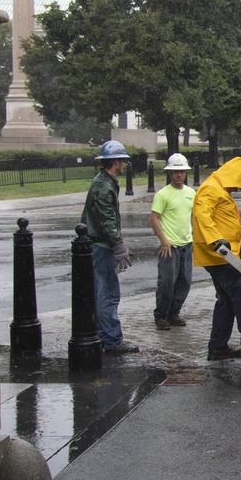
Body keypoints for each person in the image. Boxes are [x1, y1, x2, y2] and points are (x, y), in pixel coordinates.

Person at [192, 156, 241, 361]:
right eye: (238, 184)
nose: (238, 189)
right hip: (221, 255)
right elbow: (202, 215)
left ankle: (218, 347)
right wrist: (216, 241)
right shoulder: (211, 188)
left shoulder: (218, 188)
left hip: (223, 255)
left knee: (226, 300)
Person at [81, 140, 138, 354]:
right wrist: (118, 245)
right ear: (115, 161)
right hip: (101, 246)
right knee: (108, 293)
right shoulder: (104, 186)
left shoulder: (104, 181)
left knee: (102, 292)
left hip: (99, 244)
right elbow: (107, 220)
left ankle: (102, 334)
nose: (124, 164)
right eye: (122, 160)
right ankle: (111, 340)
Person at [150, 153, 196, 330]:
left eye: (182, 171)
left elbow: (192, 217)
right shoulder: (162, 195)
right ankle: (161, 315)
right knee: (167, 282)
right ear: (170, 173)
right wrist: (163, 240)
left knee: (184, 281)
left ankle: (173, 313)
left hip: (187, 243)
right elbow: (154, 218)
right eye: (175, 171)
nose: (179, 175)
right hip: (169, 245)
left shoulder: (191, 193)